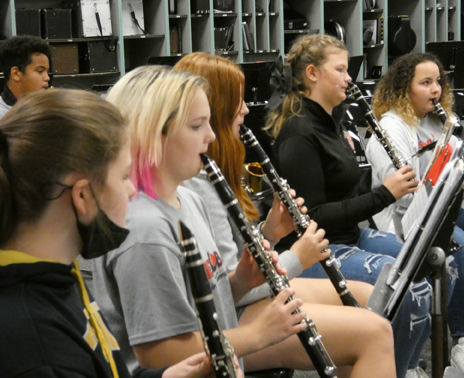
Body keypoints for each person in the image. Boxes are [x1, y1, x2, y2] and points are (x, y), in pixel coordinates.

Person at [92, 65, 396, 378]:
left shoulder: (189, 200)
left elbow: (204, 307)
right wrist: (256, 335)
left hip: (225, 362)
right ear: (153, 135)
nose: (211, 135)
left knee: (368, 328)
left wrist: (239, 282)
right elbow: (159, 353)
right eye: (197, 126)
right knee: (372, 332)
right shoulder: (145, 230)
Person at [174, 51, 397, 373]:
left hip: (243, 295)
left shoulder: (220, 166)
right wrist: (297, 257)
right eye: (238, 101)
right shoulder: (199, 185)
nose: (247, 109)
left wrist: (269, 232)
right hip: (227, 317)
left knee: (367, 297)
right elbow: (227, 290)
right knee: (372, 332)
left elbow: (237, 259)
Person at [0, 88, 229, 378]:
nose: (132, 189)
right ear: (82, 196)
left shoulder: (54, 274)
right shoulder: (39, 349)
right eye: (123, 176)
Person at [264, 34, 431, 378]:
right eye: (339, 70)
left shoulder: (331, 123)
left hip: (348, 237)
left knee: (421, 264)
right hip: (316, 251)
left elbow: (347, 197)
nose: (348, 77)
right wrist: (386, 194)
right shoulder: (300, 132)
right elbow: (313, 219)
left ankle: (403, 367)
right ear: (312, 73)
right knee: (407, 288)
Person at [367, 52, 464, 376]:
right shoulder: (391, 128)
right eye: (426, 83)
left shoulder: (441, 120)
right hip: (404, 219)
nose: (436, 90)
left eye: (438, 82)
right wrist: (453, 189)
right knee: (462, 250)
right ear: (403, 89)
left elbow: (462, 161)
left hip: (445, 207)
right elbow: (403, 195)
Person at [0, 35, 51, 119]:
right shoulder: (2, 118)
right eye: (40, 71)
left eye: (47, 72)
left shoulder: (50, 111)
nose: (47, 78)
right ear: (15, 74)